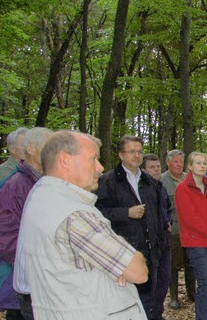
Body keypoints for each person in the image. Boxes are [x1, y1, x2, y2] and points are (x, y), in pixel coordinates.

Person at [16, 130, 148, 319]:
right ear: (65, 160)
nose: (100, 167)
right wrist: (122, 263)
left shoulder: (42, 195)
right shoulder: (73, 214)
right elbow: (138, 271)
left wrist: (112, 264)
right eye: (92, 159)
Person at [95, 135, 164, 319]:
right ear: (121, 155)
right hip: (124, 253)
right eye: (131, 151)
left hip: (150, 253)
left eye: (139, 151)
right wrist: (126, 212)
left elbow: (159, 215)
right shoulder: (108, 181)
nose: (136, 155)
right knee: (128, 304)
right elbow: (97, 213)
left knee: (149, 300)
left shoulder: (151, 182)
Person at [0, 127, 52, 320]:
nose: (53, 152)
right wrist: (33, 267)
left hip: (40, 282)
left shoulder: (44, 182)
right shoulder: (16, 185)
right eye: (48, 146)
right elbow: (5, 236)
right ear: (32, 150)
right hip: (24, 284)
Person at [175, 151, 207, 320]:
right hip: (196, 242)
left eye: (204, 163)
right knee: (205, 282)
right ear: (189, 166)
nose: (202, 166)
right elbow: (190, 218)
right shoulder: (182, 188)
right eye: (198, 163)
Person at [160, 149, 196, 309]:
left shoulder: (190, 180)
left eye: (181, 162)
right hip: (173, 230)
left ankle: (192, 293)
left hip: (191, 230)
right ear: (168, 163)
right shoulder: (161, 181)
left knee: (191, 263)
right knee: (173, 265)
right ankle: (174, 297)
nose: (178, 164)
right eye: (175, 161)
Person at [141, 154, 172, 320]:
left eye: (158, 166)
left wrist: (169, 221)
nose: (157, 170)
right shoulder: (141, 189)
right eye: (152, 167)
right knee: (150, 283)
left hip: (164, 240)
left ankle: (157, 314)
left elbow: (167, 208)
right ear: (144, 170)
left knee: (164, 279)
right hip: (149, 243)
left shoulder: (161, 187)